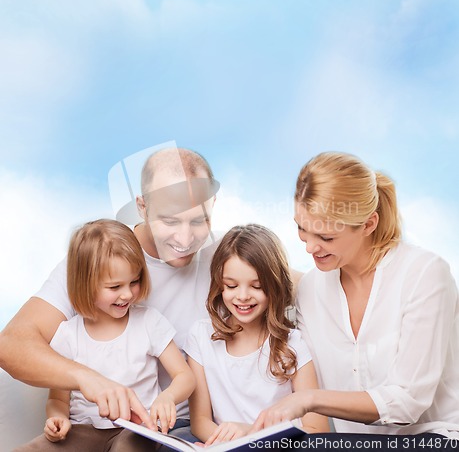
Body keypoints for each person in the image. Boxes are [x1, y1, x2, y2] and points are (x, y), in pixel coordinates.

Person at [0, 147, 219, 439]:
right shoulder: (98, 259)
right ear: (142, 207)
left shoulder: (224, 259)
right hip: (94, 428)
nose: (185, 238)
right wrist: (86, 378)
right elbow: (11, 346)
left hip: (171, 430)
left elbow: (288, 280)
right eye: (169, 221)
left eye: (198, 220)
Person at [252, 152, 459, 440]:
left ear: (368, 224)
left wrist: (309, 399)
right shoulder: (312, 288)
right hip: (353, 443)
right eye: (302, 229)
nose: (310, 247)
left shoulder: (425, 275)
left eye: (326, 237)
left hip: (430, 438)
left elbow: (407, 403)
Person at [15, 219, 195, 452]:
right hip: (83, 430)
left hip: (138, 429)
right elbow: (58, 399)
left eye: (135, 281)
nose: (127, 294)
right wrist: (57, 419)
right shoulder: (69, 334)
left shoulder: (149, 321)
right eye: (114, 287)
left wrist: (168, 397)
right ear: (86, 284)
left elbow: (185, 376)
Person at [185, 224, 329, 446]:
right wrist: (221, 444)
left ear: (274, 286)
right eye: (231, 286)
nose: (243, 296)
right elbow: (200, 421)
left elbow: (317, 430)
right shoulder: (201, 336)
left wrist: (251, 435)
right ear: (219, 285)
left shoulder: (293, 344)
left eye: (257, 286)